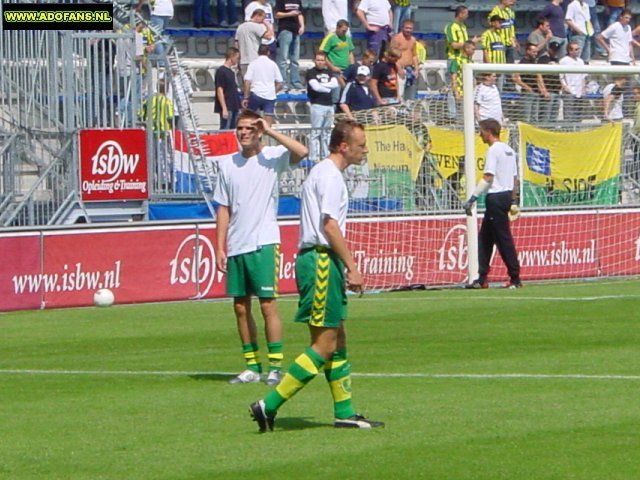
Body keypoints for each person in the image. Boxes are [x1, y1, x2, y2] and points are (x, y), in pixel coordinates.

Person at [249, 119, 385, 432]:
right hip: (322, 261)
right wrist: (352, 266)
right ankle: (267, 405)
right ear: (343, 146)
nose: (365, 150)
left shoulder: (324, 173)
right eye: (360, 145)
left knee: (337, 340)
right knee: (324, 345)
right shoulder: (330, 177)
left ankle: (345, 412)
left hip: (323, 261)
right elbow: (329, 226)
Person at [214, 109, 308, 386]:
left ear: (258, 131)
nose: (244, 133)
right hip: (237, 245)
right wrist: (219, 247)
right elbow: (224, 208)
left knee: (268, 305)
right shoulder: (227, 164)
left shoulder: (272, 158)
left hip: (263, 241)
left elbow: (301, 152)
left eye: (249, 129)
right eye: (240, 128)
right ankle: (251, 366)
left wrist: (269, 131)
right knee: (241, 307)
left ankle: (275, 366)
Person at [463, 118, 522, 289]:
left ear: (488, 132)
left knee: (503, 239)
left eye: (481, 130)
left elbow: (488, 176)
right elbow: (514, 179)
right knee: (485, 238)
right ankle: (482, 278)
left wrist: (473, 198)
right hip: (505, 196)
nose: (479, 134)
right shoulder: (509, 150)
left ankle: (515, 277)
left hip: (495, 197)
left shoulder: (494, 150)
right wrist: (513, 200)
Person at [307, 51, 340, 164]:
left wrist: (322, 85)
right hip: (317, 105)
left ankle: (325, 155)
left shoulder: (329, 72)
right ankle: (314, 157)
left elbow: (335, 84)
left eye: (322, 60)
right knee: (316, 132)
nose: (320, 62)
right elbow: (315, 87)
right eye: (318, 60)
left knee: (327, 132)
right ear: (314, 61)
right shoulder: (311, 72)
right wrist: (327, 87)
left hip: (329, 105)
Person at [242, 45, 284, 127]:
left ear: (258, 52)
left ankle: (252, 137)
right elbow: (280, 83)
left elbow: (247, 81)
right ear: (268, 52)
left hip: (256, 94)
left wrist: (246, 97)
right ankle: (266, 138)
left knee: (250, 118)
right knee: (268, 122)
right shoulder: (273, 64)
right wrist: (273, 91)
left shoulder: (253, 64)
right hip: (269, 96)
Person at [274, 0, 305, 91]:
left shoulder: (297, 1)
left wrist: (302, 26)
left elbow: (300, 13)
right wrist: (290, 14)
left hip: (296, 30)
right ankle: (282, 82)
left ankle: (295, 82)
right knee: (283, 58)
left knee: (295, 59)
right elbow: (277, 14)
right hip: (285, 29)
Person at [234, 8, 273, 78]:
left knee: (246, 83)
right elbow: (269, 36)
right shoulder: (256, 26)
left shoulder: (240, 27)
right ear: (257, 16)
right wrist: (269, 26)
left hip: (243, 61)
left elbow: (236, 44)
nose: (263, 21)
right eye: (263, 18)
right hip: (254, 59)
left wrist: (238, 59)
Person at [512, 43, 544, 122]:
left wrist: (542, 89)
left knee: (535, 119)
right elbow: (515, 77)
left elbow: (538, 77)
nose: (535, 54)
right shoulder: (523, 62)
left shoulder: (534, 62)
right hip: (527, 94)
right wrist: (526, 87)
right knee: (527, 118)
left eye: (536, 52)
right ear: (528, 51)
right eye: (533, 52)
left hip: (536, 93)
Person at [390, 19, 419, 101]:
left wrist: (416, 69)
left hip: (410, 69)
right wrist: (398, 68)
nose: (408, 30)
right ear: (402, 28)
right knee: (400, 94)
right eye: (407, 28)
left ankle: (409, 112)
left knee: (411, 96)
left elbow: (414, 55)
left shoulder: (413, 40)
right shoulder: (397, 38)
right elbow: (392, 55)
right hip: (400, 69)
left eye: (410, 28)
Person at [559, 41, 588, 122]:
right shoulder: (564, 61)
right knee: (568, 115)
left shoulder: (581, 61)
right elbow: (561, 77)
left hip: (580, 92)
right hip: (569, 91)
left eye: (577, 49)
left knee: (578, 116)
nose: (576, 51)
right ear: (569, 50)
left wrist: (584, 88)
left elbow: (584, 77)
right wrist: (565, 87)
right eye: (574, 49)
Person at [445, 5, 479, 71]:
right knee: (454, 80)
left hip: (465, 58)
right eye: (466, 14)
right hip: (454, 59)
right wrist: (471, 43)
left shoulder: (463, 26)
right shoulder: (451, 26)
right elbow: (454, 45)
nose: (467, 16)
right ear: (460, 14)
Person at [214, 47, 241, 129]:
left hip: (234, 105)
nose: (237, 60)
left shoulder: (231, 72)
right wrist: (224, 107)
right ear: (232, 56)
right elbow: (219, 90)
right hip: (227, 105)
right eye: (237, 58)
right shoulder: (221, 71)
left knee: (233, 130)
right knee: (225, 128)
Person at [448, 40, 475, 119]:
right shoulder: (457, 60)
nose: (474, 51)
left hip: (469, 92)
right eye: (473, 49)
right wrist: (456, 93)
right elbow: (454, 77)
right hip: (460, 91)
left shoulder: (470, 61)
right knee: (461, 115)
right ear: (466, 49)